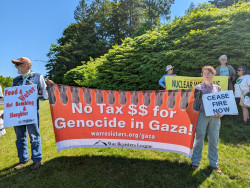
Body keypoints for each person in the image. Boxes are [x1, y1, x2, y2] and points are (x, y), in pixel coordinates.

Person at [2, 57, 54, 170]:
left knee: (34, 136)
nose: (15, 67)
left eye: (17, 64)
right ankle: (23, 160)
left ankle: (37, 159)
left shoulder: (38, 77)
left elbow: (45, 95)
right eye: (15, 65)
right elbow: (12, 99)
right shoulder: (15, 80)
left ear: (25, 65)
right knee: (20, 137)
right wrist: (6, 112)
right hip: (17, 114)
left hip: (31, 113)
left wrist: (50, 87)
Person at [191, 66, 223, 173]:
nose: (207, 75)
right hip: (202, 115)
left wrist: (221, 113)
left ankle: (214, 163)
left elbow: (221, 103)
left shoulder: (218, 88)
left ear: (213, 74)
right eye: (204, 73)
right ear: (202, 75)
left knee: (214, 138)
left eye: (209, 73)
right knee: (199, 137)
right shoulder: (197, 88)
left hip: (215, 117)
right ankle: (195, 162)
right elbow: (194, 104)